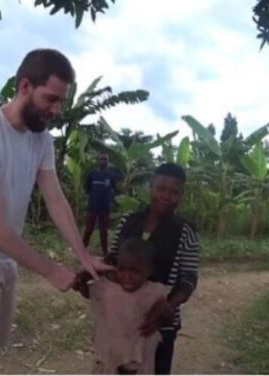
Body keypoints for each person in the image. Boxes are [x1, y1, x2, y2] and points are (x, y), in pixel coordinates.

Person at [0, 48, 112, 375]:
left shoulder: (41, 140)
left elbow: (55, 198)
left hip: (7, 260)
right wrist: (52, 271)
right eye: (50, 99)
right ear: (25, 87)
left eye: (61, 102)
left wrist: (82, 256)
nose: (56, 110)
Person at [107, 163, 201, 374]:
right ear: (150, 187)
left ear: (181, 195)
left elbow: (189, 278)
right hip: (123, 319)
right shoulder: (128, 222)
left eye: (174, 192)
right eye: (161, 188)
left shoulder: (186, 232)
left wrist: (168, 306)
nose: (166, 196)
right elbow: (112, 259)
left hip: (160, 325)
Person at [74, 238, 170, 374]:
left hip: (138, 361)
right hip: (108, 358)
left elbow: (167, 319)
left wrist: (166, 312)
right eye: (122, 269)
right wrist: (81, 282)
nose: (127, 276)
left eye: (135, 271)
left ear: (149, 270)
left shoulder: (154, 293)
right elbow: (88, 293)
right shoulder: (107, 288)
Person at [83, 153, 118, 257]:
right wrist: (94, 197)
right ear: (98, 161)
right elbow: (87, 188)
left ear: (108, 162)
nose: (103, 161)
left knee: (104, 232)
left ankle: (105, 252)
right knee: (88, 229)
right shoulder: (92, 174)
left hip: (105, 208)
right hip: (92, 206)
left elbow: (113, 190)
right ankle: (82, 249)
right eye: (101, 159)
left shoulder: (111, 175)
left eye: (105, 159)